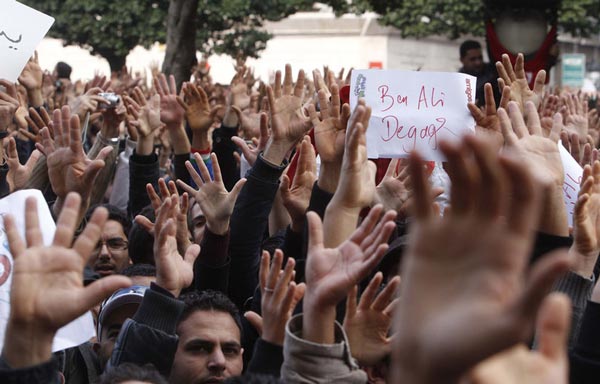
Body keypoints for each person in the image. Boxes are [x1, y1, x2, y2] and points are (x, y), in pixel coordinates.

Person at [458, 40, 499, 107]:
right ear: (462, 60)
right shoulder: (458, 81)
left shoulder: (493, 72)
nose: (478, 62)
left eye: (480, 58)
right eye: (472, 59)